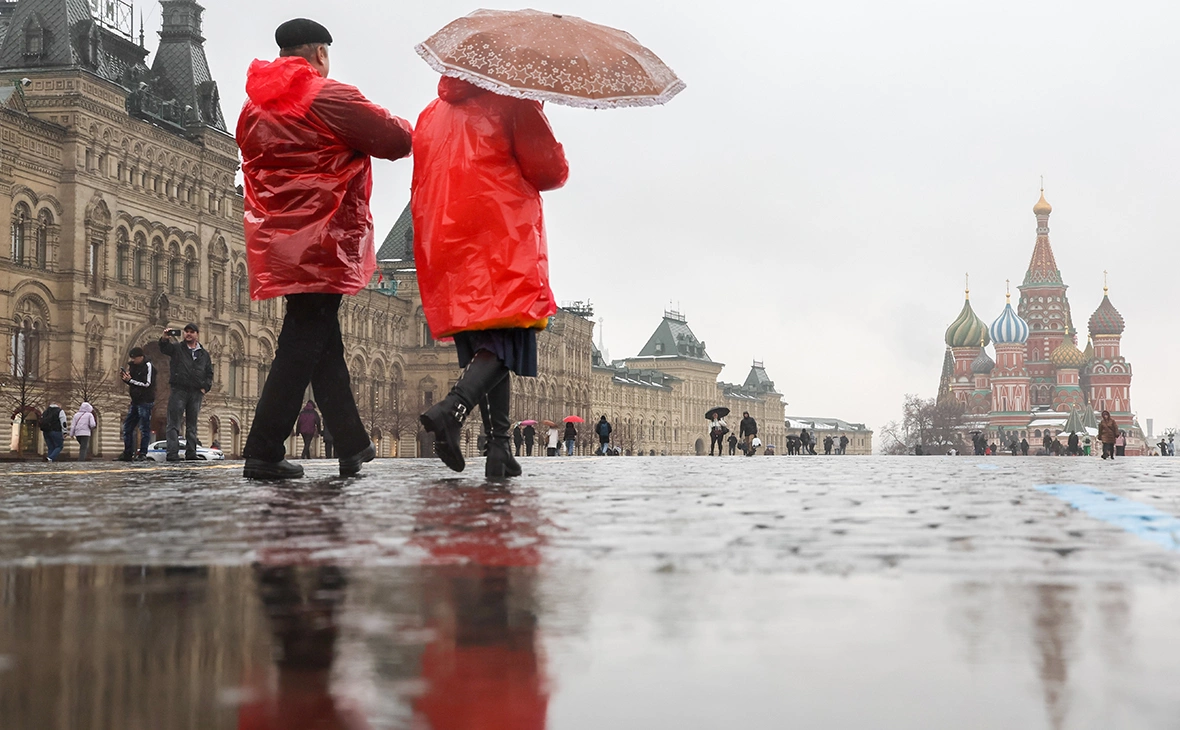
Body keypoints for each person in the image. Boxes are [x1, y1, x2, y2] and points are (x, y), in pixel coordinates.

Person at [237, 19, 412, 480]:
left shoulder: (254, 107)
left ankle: (351, 444)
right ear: (319, 53)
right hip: (323, 238)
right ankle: (264, 448)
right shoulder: (326, 96)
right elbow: (395, 139)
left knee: (322, 341)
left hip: (278, 240)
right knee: (301, 341)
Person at [412, 64, 568, 480]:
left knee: (488, 347)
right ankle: (452, 409)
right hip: (501, 238)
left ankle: (499, 446)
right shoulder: (513, 100)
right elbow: (549, 171)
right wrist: (536, 110)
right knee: (506, 342)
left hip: (446, 239)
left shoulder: (432, 113)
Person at [159, 324, 214, 462]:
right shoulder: (177, 348)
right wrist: (164, 338)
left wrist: (205, 387)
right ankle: (172, 454)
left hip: (196, 392)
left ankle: (191, 453)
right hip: (179, 390)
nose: (188, 334)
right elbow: (164, 349)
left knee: (192, 425)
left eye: (192, 332)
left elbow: (209, 372)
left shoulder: (204, 354)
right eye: (186, 332)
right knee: (174, 423)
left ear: (197, 334)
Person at [117, 347, 155, 461]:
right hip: (135, 401)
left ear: (141, 357)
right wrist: (125, 379)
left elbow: (147, 383)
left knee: (144, 428)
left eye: (134, 358)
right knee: (127, 427)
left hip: (146, 401)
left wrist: (130, 381)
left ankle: (143, 453)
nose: (133, 360)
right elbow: (133, 383)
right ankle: (127, 453)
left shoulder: (148, 366)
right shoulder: (133, 366)